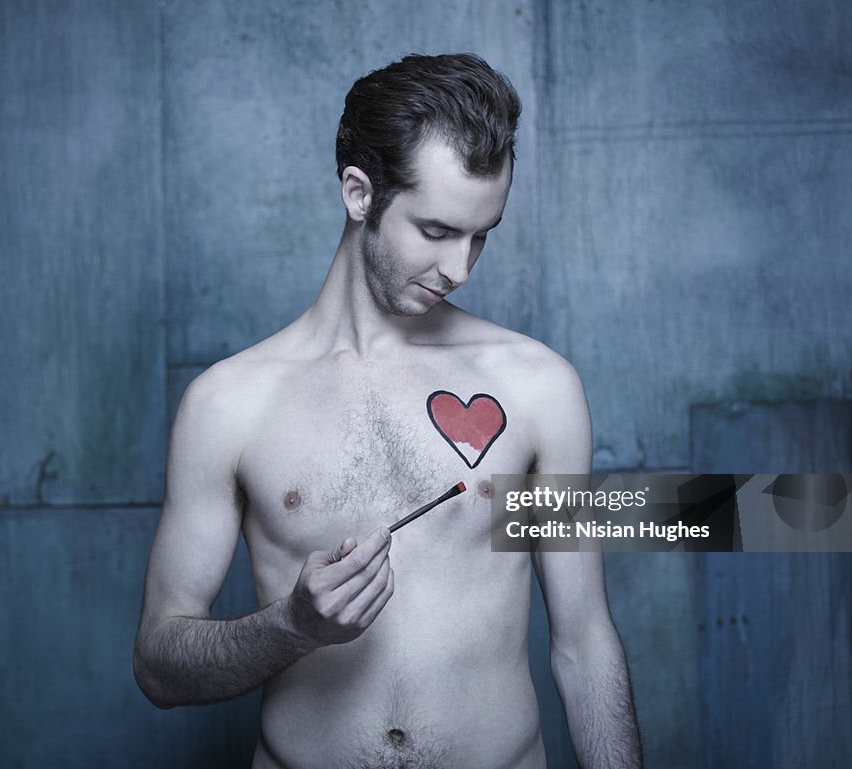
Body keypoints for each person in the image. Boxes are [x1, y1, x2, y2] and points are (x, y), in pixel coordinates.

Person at [134, 53, 642, 769]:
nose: (460, 268)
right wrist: (293, 626)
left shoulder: (538, 388)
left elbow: (584, 642)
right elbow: (158, 665)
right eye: (436, 232)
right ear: (358, 193)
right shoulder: (229, 404)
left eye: (482, 235)